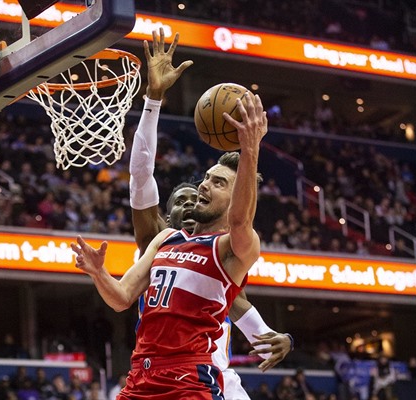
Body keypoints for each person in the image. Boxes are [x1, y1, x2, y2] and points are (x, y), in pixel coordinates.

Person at [71, 48, 269, 398]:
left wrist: (250, 147)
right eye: (206, 178)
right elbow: (120, 298)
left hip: (191, 377)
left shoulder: (232, 249)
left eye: (218, 182)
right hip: (140, 375)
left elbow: (240, 220)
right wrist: (98, 273)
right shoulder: (164, 238)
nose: (204, 186)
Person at [128, 28, 292, 398]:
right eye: (180, 200)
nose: (191, 202)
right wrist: (153, 99)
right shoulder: (156, 241)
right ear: (164, 215)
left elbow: (243, 312)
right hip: (166, 378)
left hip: (217, 376)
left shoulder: (215, 255)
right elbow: (140, 174)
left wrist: (279, 339)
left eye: (196, 195)